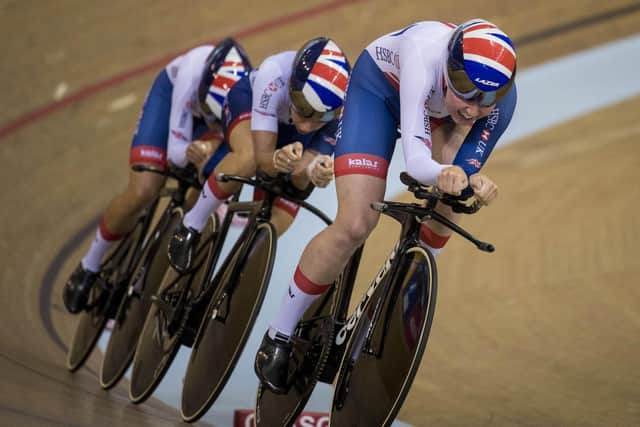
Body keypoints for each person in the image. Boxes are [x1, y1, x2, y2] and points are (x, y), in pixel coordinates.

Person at [255, 19, 518, 393]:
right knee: (355, 224)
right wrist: (452, 173)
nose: (475, 108)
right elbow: (417, 161)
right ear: (449, 66)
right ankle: (277, 335)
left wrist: (470, 179)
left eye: (486, 99)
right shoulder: (421, 56)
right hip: (378, 91)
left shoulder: (499, 103)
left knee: (453, 192)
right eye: (466, 91)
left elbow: (462, 170)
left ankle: (417, 273)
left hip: (437, 113)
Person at [62, 38, 252, 314]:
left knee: (206, 190)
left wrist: (210, 145)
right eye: (209, 114)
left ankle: (166, 256)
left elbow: (233, 144)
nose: (210, 120)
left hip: (216, 128)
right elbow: (174, 152)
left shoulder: (245, 95)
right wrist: (191, 150)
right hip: (171, 100)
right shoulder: (190, 75)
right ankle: (89, 265)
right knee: (144, 189)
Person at [167, 37, 351, 273]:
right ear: (292, 88)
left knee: (284, 211)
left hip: (292, 131)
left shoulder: (342, 107)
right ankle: (191, 225)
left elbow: (298, 182)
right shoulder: (273, 74)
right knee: (249, 158)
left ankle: (233, 275)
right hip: (248, 104)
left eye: (321, 117)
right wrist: (277, 158)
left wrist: (313, 169)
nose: (306, 126)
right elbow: (264, 161)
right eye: (303, 109)